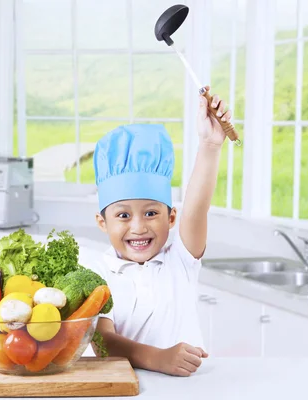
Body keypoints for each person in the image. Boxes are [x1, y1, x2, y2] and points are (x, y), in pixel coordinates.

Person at [88, 86, 232, 377]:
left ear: (171, 218)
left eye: (151, 213)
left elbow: (197, 208)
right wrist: (160, 359)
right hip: (127, 390)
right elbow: (102, 341)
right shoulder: (98, 272)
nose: (139, 227)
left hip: (192, 389)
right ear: (103, 222)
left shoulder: (180, 258)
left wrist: (210, 145)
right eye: (123, 215)